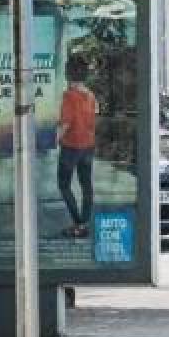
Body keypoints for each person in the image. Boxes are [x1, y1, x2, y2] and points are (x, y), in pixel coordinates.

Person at [57, 55, 98, 238]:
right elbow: (93, 118)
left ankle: (79, 224)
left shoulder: (69, 96)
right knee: (86, 185)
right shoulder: (90, 95)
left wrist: (54, 139)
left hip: (71, 146)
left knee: (64, 185)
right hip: (88, 146)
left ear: (68, 73)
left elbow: (65, 124)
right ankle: (85, 223)